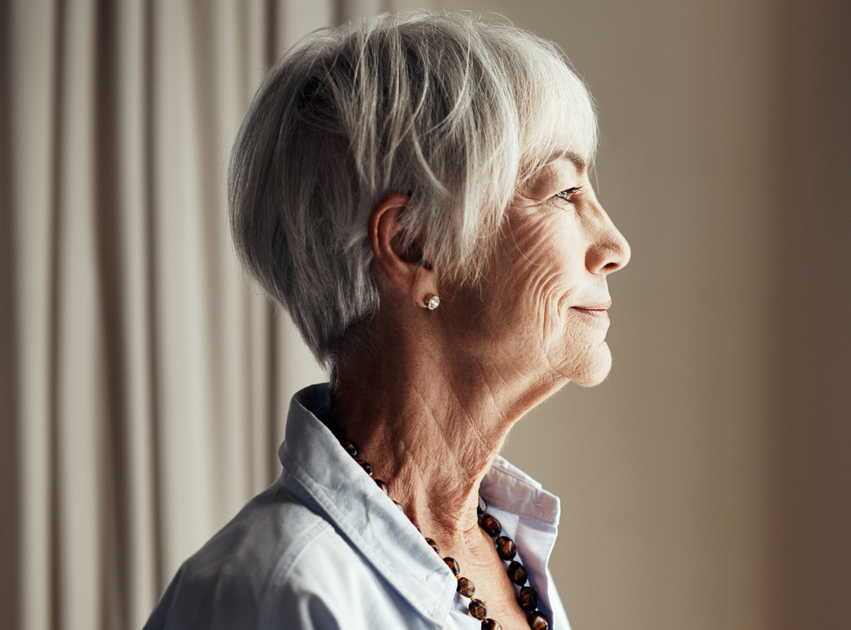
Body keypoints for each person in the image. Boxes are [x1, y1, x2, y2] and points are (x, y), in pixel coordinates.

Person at [144, 11, 630, 630]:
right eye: (563, 192)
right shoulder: (274, 593)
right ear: (413, 247)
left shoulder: (500, 553)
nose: (615, 244)